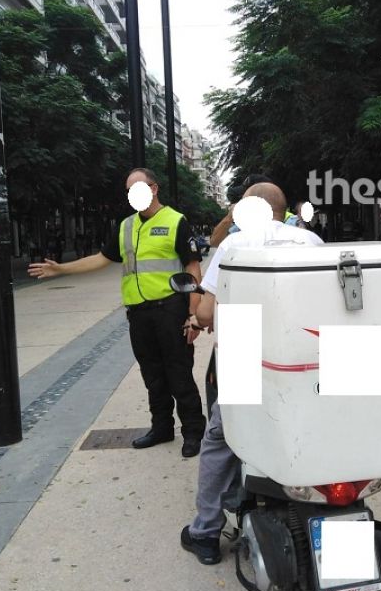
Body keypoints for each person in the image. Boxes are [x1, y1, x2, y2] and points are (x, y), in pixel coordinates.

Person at [180, 182, 324, 565]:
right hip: (307, 351)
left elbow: (206, 312)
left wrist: (199, 318)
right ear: (282, 210)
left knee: (220, 438)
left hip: (246, 350)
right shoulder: (310, 241)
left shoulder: (234, 244)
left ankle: (205, 532)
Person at [29, 168, 207, 457]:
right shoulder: (126, 226)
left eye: (139, 188)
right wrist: (61, 269)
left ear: (154, 188)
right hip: (138, 313)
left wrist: (193, 314)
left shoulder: (176, 221)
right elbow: (102, 258)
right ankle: (162, 428)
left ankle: (193, 432)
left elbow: (192, 267)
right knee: (152, 375)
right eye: (129, 191)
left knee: (179, 374)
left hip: (170, 310)